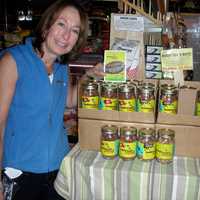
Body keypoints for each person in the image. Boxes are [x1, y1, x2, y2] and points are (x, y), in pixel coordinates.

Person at [0, 0, 104, 199]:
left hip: (57, 168)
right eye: (61, 24)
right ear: (47, 25)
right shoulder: (12, 61)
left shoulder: (60, 66)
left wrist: (88, 77)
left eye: (74, 31)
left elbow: (69, 100)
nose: (66, 36)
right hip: (19, 171)